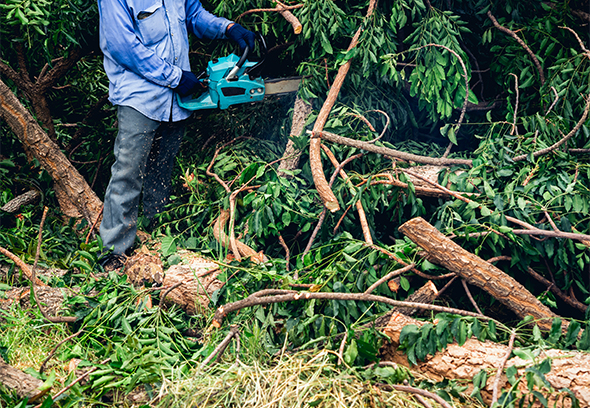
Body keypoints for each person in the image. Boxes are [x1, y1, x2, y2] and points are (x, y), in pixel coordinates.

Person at [97, 0, 255, 270]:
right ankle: (114, 253)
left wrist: (227, 28)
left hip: (176, 101)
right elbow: (123, 46)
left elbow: (193, 14)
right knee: (128, 172)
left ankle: (157, 239)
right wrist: (174, 77)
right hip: (140, 97)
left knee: (162, 170)